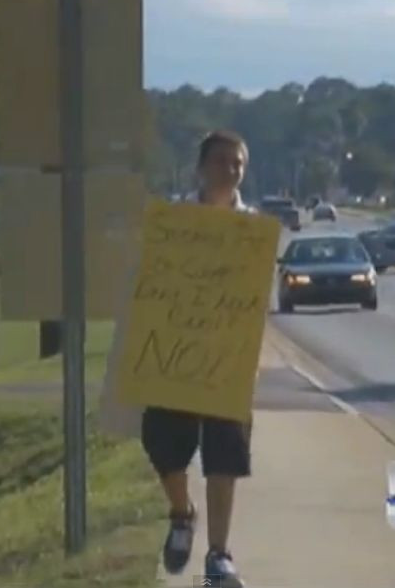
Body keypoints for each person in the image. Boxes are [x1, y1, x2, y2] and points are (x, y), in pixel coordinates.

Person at [143, 130, 254, 588]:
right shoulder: (177, 219)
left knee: (224, 455)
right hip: (176, 353)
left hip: (227, 359)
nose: (230, 170)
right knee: (162, 440)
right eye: (222, 161)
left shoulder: (252, 228)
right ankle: (181, 513)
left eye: (238, 163)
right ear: (201, 167)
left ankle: (218, 555)